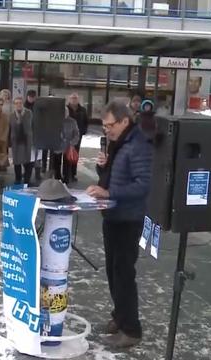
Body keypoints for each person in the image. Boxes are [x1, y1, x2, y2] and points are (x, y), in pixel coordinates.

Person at [86, 100, 153, 348]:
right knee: (113, 272)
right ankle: (120, 315)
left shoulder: (138, 145)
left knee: (124, 274)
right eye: (104, 126)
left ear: (125, 121)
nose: (106, 130)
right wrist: (102, 166)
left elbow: (143, 185)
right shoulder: (119, 143)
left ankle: (131, 329)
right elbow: (114, 176)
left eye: (109, 125)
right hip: (113, 216)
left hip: (128, 218)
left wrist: (109, 192)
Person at [50, 109, 80, 183]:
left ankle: (66, 180)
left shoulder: (72, 121)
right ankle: (57, 179)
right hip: (57, 146)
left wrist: (72, 142)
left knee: (67, 164)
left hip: (68, 146)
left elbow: (76, 134)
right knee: (57, 164)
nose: (64, 114)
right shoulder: (55, 120)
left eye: (65, 112)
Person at [10, 97, 35, 185]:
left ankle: (27, 180)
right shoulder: (12, 115)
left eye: (20, 103)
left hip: (27, 139)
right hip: (16, 140)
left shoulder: (29, 113)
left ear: (22, 103)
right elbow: (11, 128)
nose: (18, 105)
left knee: (28, 161)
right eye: (16, 103)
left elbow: (32, 125)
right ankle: (18, 178)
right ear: (14, 105)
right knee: (17, 161)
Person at [67, 93, 89, 182]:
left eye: (75, 98)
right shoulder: (66, 109)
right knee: (67, 155)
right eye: (72, 98)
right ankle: (67, 173)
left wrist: (83, 131)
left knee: (75, 155)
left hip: (77, 135)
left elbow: (86, 121)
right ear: (69, 99)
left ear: (78, 99)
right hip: (67, 135)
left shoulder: (83, 110)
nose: (74, 100)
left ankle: (73, 173)